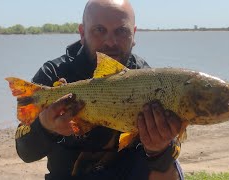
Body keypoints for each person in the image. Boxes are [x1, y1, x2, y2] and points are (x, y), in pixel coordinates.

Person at [15, 0, 184, 179]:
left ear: (133, 35)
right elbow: (24, 151)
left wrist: (159, 148)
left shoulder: (144, 76)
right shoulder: (54, 73)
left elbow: (173, 148)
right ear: (82, 33)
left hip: (128, 172)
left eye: (121, 31)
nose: (110, 43)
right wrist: (45, 126)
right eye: (99, 30)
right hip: (70, 175)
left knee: (168, 166)